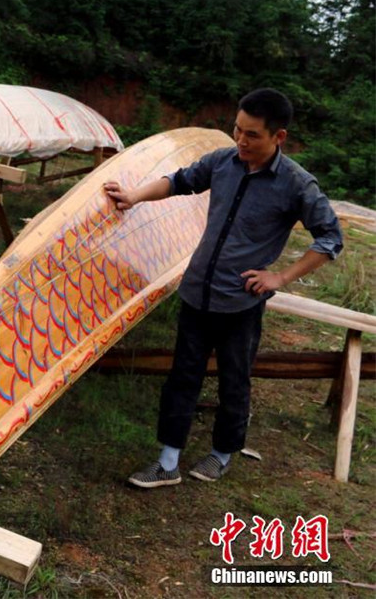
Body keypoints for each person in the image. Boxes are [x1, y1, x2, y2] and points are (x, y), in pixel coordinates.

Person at [104, 88, 343, 488]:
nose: (241, 141)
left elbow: (330, 238)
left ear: (278, 137)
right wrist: (134, 197)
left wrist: (279, 278)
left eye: (252, 135)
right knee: (183, 376)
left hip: (241, 304)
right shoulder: (222, 162)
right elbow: (179, 181)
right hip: (197, 291)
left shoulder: (297, 184)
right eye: (237, 130)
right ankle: (167, 462)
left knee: (234, 379)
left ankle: (221, 454)